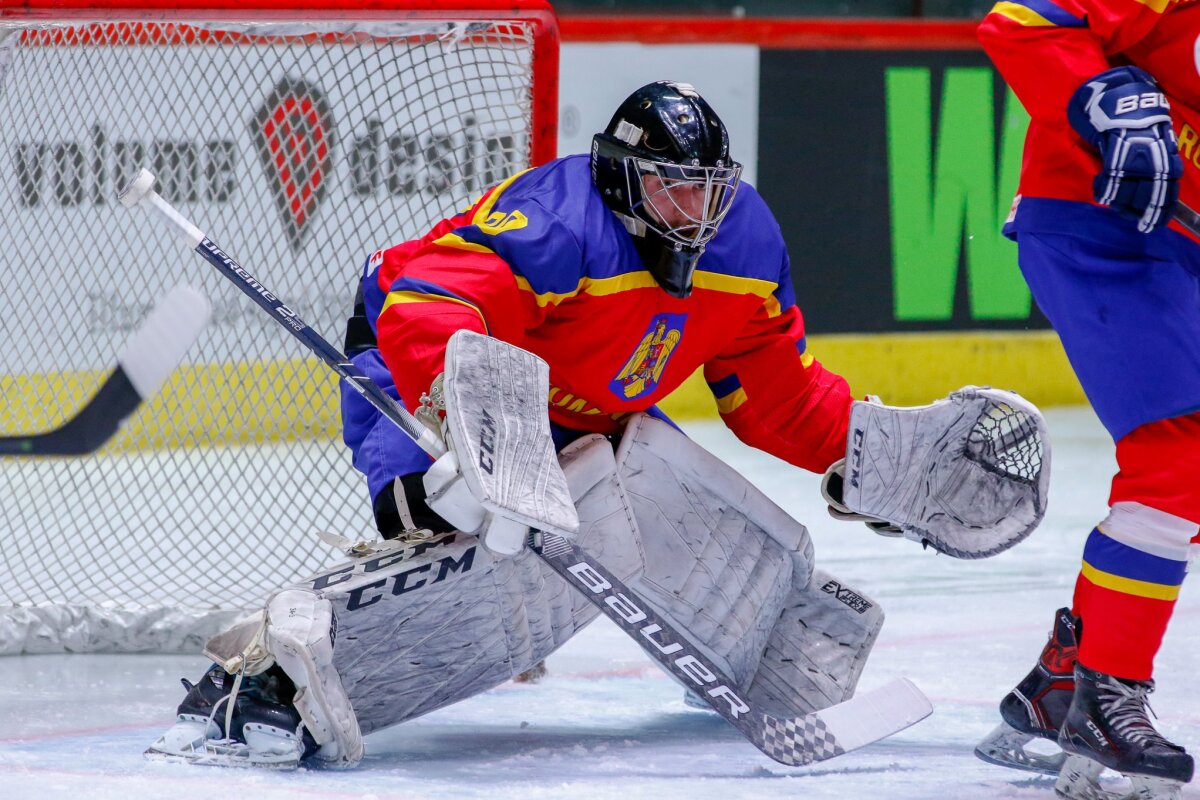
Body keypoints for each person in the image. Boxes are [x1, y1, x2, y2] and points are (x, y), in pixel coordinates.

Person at [145, 80, 1048, 769]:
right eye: (671, 191)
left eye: (708, 190)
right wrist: (473, 437)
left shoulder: (745, 245)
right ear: (622, 179)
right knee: (471, 523)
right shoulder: (559, 223)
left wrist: (872, 459)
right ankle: (265, 680)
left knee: (640, 487)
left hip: (582, 395)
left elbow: (773, 396)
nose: (695, 215)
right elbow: (427, 306)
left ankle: (762, 638)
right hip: (418, 362)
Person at [973, 5, 1200, 800]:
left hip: (1180, 245)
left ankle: (1063, 683)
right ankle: (1108, 698)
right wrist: (1103, 97)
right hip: (1100, 226)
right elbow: (1023, 23)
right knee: (1178, 460)